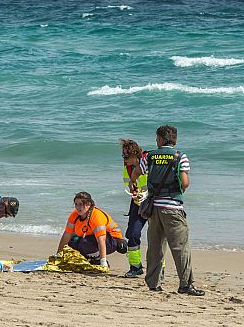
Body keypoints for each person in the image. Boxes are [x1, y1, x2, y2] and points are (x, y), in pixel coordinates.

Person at [143, 125, 204, 296]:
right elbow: (185, 182)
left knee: (155, 248)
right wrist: (178, 192)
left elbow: (137, 173)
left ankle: (153, 284)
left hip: (154, 208)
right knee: (180, 248)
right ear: (174, 139)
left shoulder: (149, 156)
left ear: (161, 139)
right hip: (173, 208)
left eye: (157, 138)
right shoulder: (180, 156)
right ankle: (185, 284)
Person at [56, 191, 126, 271]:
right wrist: (59, 254)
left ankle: (97, 260)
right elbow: (67, 235)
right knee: (72, 242)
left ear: (88, 204)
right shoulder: (74, 215)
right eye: (76, 204)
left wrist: (103, 263)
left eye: (81, 204)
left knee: (86, 243)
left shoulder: (96, 216)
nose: (78, 207)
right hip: (90, 238)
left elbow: (101, 241)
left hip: (112, 241)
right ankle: (88, 258)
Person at [121, 138, 150, 278]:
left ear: (135, 154)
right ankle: (135, 267)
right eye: (123, 155)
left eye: (126, 156)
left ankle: (158, 268)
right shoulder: (126, 169)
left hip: (153, 203)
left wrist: (147, 194)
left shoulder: (149, 163)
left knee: (156, 237)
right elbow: (129, 185)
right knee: (132, 234)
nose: (124, 159)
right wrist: (134, 193)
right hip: (137, 204)